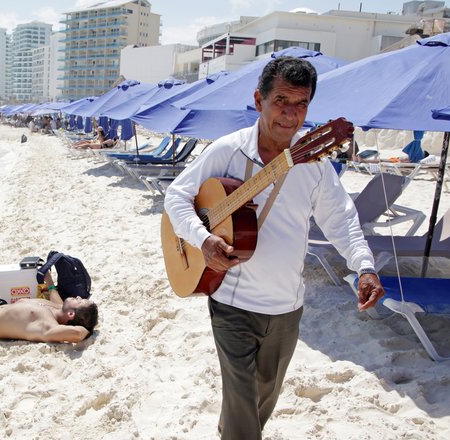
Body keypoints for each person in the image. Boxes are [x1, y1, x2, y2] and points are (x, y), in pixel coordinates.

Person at [163, 57, 384, 440]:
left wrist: (364, 267)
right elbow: (176, 197)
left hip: (286, 307)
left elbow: (342, 220)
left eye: (301, 104)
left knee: (260, 400)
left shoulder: (313, 163)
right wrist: (203, 239)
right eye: (281, 100)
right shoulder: (227, 151)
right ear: (258, 100)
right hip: (231, 301)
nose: (291, 114)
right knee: (242, 401)